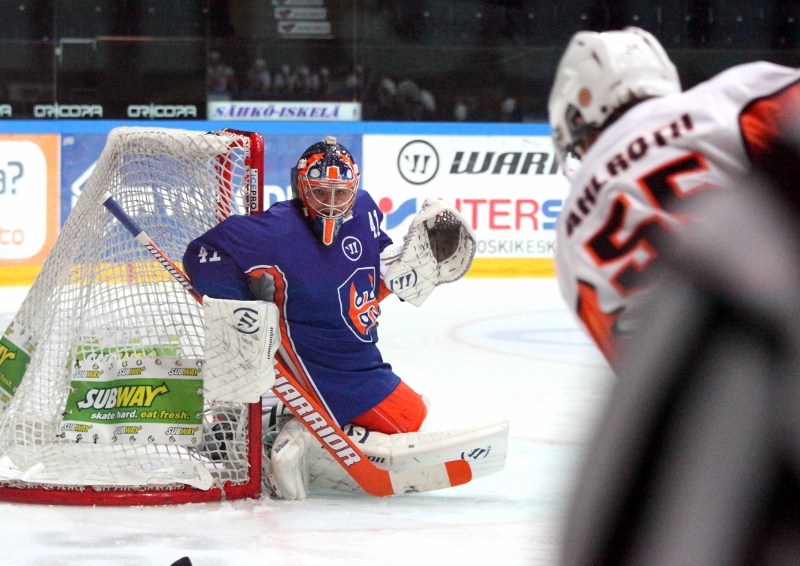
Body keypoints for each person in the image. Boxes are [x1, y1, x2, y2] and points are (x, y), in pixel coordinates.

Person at [183, 136, 475, 499]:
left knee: (415, 413)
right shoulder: (276, 230)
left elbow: (373, 257)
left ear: (355, 188)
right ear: (300, 188)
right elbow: (201, 254)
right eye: (321, 191)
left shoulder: (365, 210)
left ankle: (285, 423)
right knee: (409, 420)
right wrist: (244, 308)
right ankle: (297, 431)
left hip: (357, 352)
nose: (333, 203)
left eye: (341, 192)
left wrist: (402, 263)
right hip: (320, 361)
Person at [548, 26, 800, 368]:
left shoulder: (569, 238)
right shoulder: (731, 97)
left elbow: (634, 373)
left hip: (721, 401)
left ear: (579, 114)